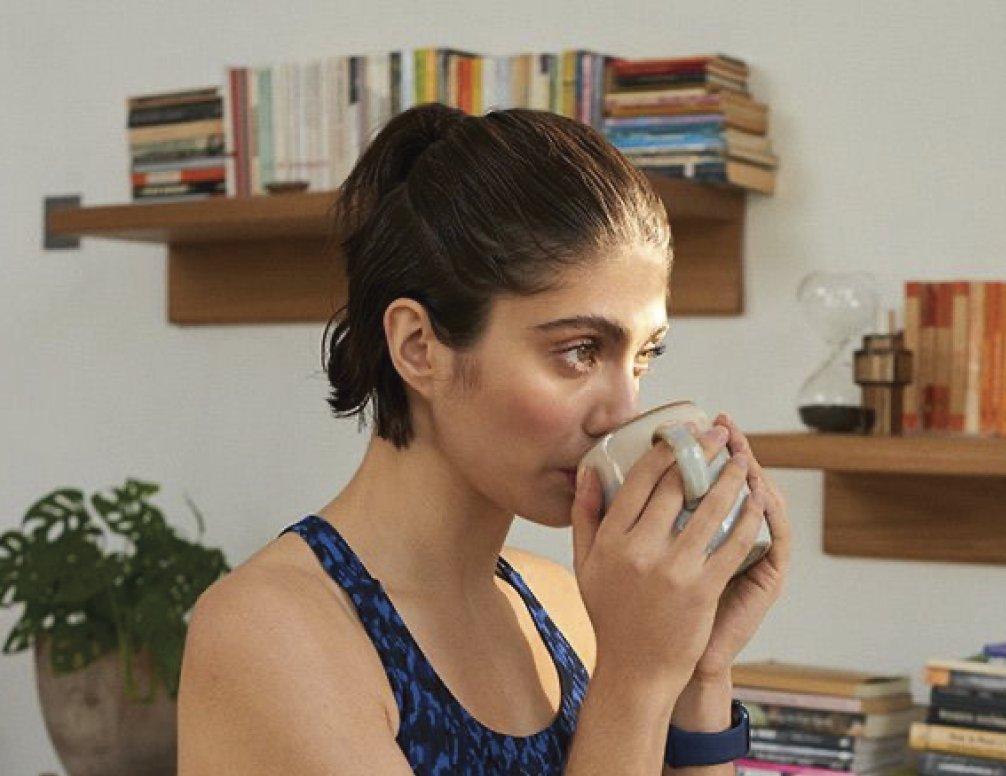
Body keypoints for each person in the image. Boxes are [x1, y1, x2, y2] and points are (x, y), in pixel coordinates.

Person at [177, 102, 791, 775]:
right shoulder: (270, 632)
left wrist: (698, 668)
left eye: (643, 357)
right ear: (419, 348)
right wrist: (638, 681)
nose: (623, 411)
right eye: (580, 350)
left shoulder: (567, 603)